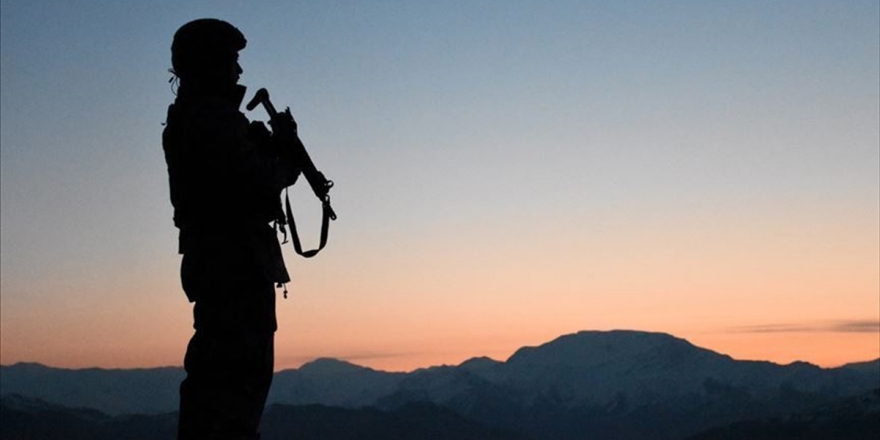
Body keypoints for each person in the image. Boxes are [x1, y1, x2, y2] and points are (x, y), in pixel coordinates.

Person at [162, 18, 296, 440]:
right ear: (209, 63)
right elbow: (250, 183)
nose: (238, 71)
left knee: (221, 381)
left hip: (225, 263)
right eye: (231, 60)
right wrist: (285, 164)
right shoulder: (211, 119)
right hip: (233, 264)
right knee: (234, 384)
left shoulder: (202, 117)